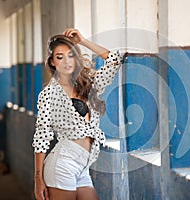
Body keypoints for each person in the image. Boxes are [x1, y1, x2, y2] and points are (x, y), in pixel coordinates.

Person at [32, 28, 122, 200]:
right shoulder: (49, 94)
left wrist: (83, 41)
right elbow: (42, 139)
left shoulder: (89, 85)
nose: (67, 61)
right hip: (62, 165)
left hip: (82, 167)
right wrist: (38, 178)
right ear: (52, 62)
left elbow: (114, 61)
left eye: (71, 55)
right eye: (60, 57)